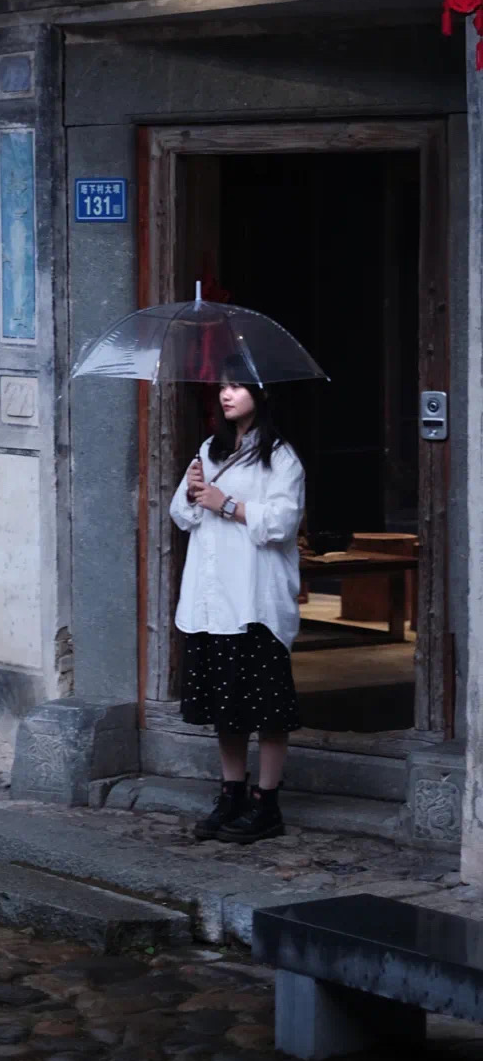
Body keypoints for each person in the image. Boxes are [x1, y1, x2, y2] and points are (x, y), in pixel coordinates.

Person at [169, 358, 306, 845]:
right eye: (223, 387)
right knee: (225, 707)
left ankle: (267, 803)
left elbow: (283, 523)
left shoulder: (281, 458)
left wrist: (226, 504)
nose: (226, 395)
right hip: (211, 599)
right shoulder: (210, 450)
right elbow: (182, 516)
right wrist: (192, 494)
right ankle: (231, 794)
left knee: (266, 709)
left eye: (237, 387)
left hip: (254, 602)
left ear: (261, 393)